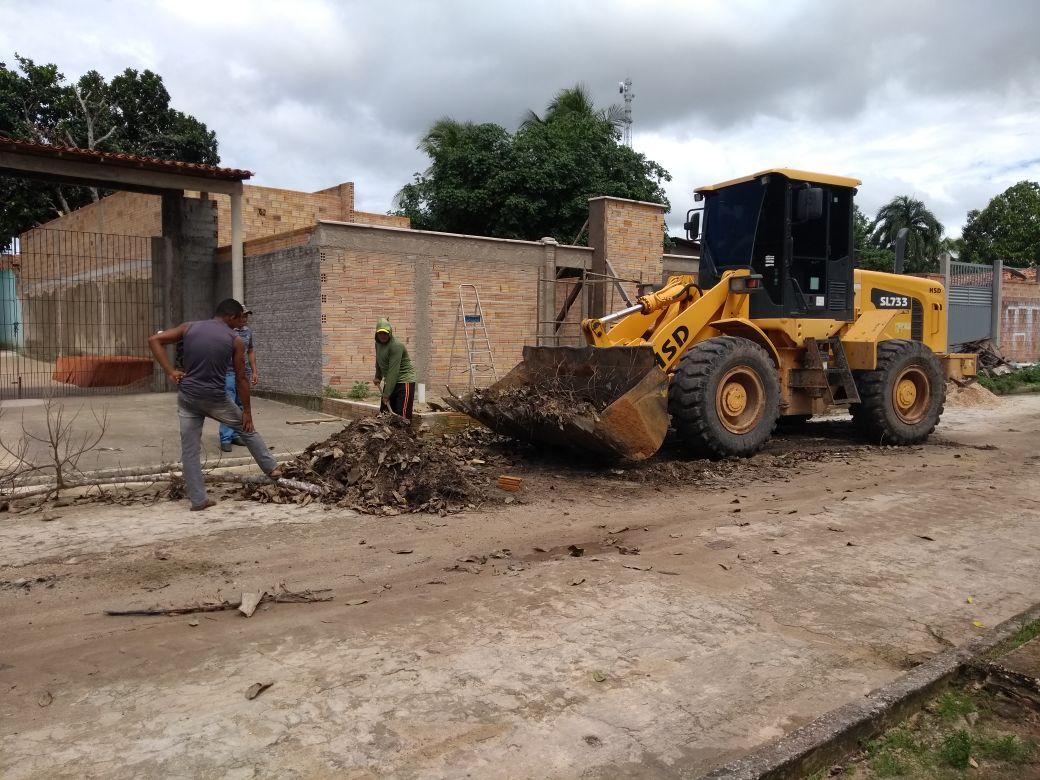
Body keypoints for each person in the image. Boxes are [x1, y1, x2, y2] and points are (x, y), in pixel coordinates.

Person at [148, 298, 281, 511]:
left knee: (190, 451)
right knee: (247, 428)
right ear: (231, 317)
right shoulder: (235, 340)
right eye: (240, 319)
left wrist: (170, 371)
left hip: (188, 398)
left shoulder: (189, 327)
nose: (242, 323)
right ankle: (272, 469)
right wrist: (247, 411)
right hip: (215, 399)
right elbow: (241, 379)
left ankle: (198, 500)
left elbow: (154, 340)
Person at [218, 307, 259, 452]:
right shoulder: (227, 331)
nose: (245, 319)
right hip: (228, 372)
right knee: (229, 404)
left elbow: (251, 351)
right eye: (242, 316)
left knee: (241, 404)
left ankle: (236, 434)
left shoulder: (248, 332)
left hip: (244, 373)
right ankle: (225, 438)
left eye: (246, 317)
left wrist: (254, 371)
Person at [373, 317, 417, 422]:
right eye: (380, 333)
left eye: (385, 333)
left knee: (402, 417)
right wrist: (378, 376)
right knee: (384, 414)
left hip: (404, 381)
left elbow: (394, 370)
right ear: (376, 334)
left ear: (390, 333)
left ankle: (404, 437)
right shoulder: (378, 344)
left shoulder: (396, 345)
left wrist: (387, 394)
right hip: (391, 381)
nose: (383, 336)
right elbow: (378, 360)